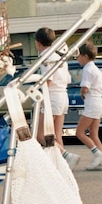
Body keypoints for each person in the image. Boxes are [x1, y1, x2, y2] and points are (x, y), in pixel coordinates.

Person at [34, 27, 79, 169]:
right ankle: (62, 165)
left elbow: (47, 80)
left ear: (37, 42)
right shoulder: (59, 56)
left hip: (52, 97)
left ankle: (66, 156)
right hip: (62, 95)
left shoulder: (46, 57)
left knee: (40, 135)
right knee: (56, 135)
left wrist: (39, 96)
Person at [76, 42, 102, 170]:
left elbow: (84, 88)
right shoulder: (97, 70)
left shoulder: (87, 69)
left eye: (78, 56)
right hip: (99, 101)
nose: (77, 58)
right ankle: (101, 163)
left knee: (80, 132)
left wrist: (82, 94)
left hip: (91, 103)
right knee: (94, 134)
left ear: (85, 56)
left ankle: (97, 154)